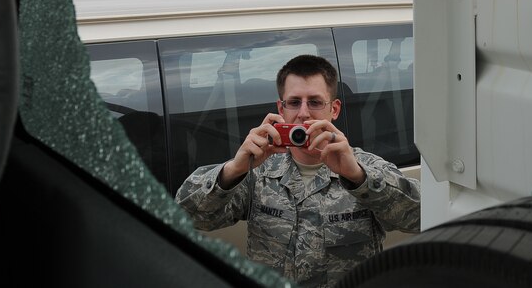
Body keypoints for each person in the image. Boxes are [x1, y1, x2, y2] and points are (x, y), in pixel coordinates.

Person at [176, 54, 421, 287]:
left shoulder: (364, 169)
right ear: (280, 110)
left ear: (334, 109)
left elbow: (420, 218)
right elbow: (187, 217)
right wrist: (234, 169)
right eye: (294, 102)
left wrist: (357, 176)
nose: (303, 113)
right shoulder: (257, 172)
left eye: (314, 102)